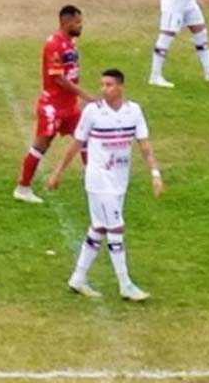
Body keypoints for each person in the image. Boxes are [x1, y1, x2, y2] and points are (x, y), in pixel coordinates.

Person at [48, 69, 163, 301]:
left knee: (99, 227)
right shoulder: (93, 112)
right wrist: (58, 172)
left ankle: (78, 278)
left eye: (109, 85)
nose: (104, 89)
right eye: (102, 84)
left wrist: (155, 173)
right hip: (99, 180)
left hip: (120, 180)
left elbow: (144, 145)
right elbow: (76, 144)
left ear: (120, 87)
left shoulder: (134, 112)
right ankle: (125, 284)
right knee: (116, 227)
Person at [14, 5, 94, 204]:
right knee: (41, 145)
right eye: (77, 22)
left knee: (86, 138)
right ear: (66, 22)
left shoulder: (70, 43)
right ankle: (22, 188)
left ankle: (93, 181)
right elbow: (58, 78)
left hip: (69, 106)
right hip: (53, 106)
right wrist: (84, 95)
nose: (80, 26)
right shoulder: (54, 44)